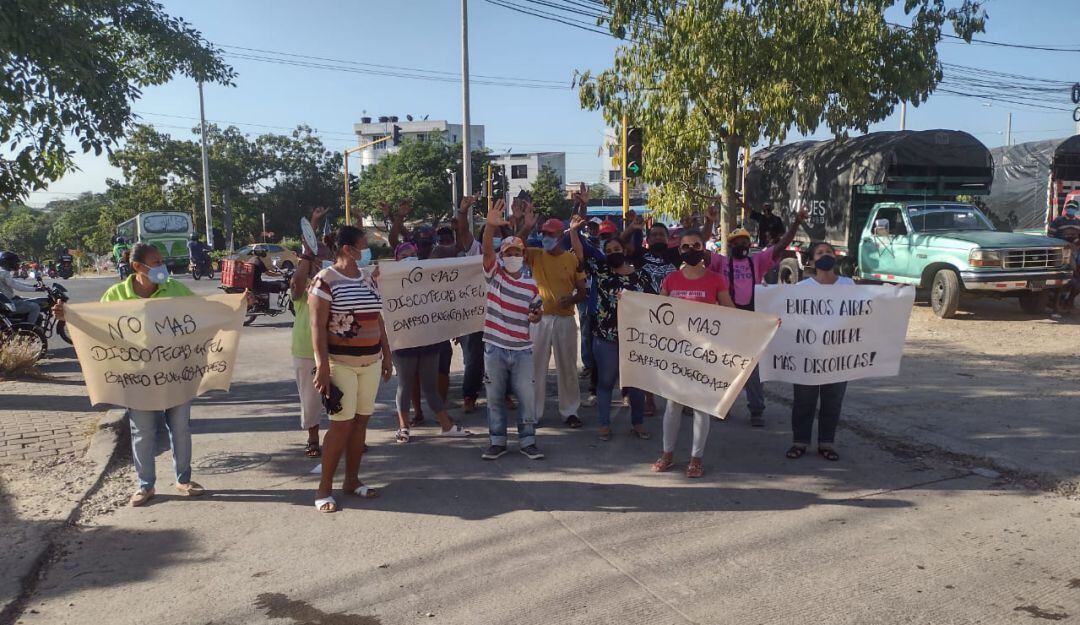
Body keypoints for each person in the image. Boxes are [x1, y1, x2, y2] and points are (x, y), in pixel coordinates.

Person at [54, 243, 202, 506]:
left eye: (161, 261)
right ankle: (145, 486)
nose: (162, 267)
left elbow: (205, 312)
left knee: (181, 429)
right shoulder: (116, 295)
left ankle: (184, 480)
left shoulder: (176, 289)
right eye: (156, 263)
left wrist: (238, 305)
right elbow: (96, 323)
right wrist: (68, 317)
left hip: (175, 374)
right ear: (137, 267)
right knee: (142, 432)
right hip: (138, 378)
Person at [309, 226, 393, 513]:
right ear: (347, 248)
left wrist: (387, 355)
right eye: (363, 244)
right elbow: (317, 326)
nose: (367, 250)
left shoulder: (366, 278)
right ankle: (324, 488)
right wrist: (321, 366)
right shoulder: (325, 280)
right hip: (340, 363)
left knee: (360, 423)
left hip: (371, 362)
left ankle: (352, 480)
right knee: (341, 425)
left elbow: (377, 318)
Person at [708, 210, 808, 426]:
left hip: (751, 323)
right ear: (730, 245)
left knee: (753, 370)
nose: (742, 245)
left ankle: (756, 410)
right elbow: (699, 252)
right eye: (737, 242)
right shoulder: (721, 263)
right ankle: (723, 406)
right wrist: (708, 222)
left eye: (745, 241)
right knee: (725, 366)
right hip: (727, 321)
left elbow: (781, 246)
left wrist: (796, 223)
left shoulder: (757, 262)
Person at [651, 229, 735, 478]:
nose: (691, 250)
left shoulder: (716, 280)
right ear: (680, 251)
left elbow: (732, 313)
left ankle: (696, 459)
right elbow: (656, 311)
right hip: (676, 352)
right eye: (685, 247)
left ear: (703, 248)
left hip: (704, 353)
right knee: (672, 405)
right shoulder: (671, 280)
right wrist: (627, 301)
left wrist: (763, 324)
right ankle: (667, 454)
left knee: (701, 407)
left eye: (696, 245)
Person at [569, 215, 654, 441]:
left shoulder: (641, 276)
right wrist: (573, 231)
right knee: (605, 383)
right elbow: (580, 253)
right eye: (608, 251)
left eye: (617, 249)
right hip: (606, 338)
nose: (613, 253)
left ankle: (638, 423)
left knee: (636, 385)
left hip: (635, 339)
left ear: (624, 251)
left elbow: (653, 304)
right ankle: (604, 425)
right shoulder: (601, 270)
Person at [386, 241, 473, 443]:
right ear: (396, 259)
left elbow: (446, 300)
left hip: (429, 339)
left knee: (430, 386)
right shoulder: (389, 281)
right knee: (405, 384)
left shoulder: (430, 278)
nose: (409, 257)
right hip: (404, 341)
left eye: (412, 253)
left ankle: (446, 426)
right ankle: (403, 427)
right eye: (404, 255)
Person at [480, 200, 545, 460]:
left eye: (517, 253)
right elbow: (487, 251)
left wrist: (536, 316)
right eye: (508, 253)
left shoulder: (531, 285)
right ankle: (497, 440)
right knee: (494, 396)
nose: (513, 257)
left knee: (526, 397)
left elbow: (537, 314)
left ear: (523, 255)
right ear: (502, 256)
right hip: (495, 347)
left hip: (522, 349)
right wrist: (489, 226)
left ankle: (528, 441)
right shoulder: (495, 275)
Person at [518, 207, 588, 428]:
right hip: (540, 319)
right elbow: (516, 245)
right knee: (535, 367)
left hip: (565, 320)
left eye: (549, 234)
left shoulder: (571, 259)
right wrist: (526, 226)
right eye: (543, 233)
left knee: (567, 368)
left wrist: (572, 299)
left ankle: (570, 411)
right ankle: (533, 413)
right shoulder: (536, 255)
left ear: (560, 236)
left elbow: (583, 291)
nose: (545, 237)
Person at [786, 242, 855, 462]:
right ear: (812, 260)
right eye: (820, 253)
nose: (825, 255)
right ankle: (800, 441)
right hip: (808, 355)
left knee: (832, 401)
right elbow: (789, 316)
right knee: (803, 401)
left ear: (835, 257)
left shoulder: (848, 285)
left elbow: (866, 311)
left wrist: (895, 295)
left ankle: (827, 443)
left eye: (829, 252)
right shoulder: (802, 288)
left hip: (838, 356)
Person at [291, 208, 331, 458]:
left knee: (344, 399)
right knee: (310, 399)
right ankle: (313, 439)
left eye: (325, 258)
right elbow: (296, 284)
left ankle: (344, 437)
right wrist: (308, 247)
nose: (320, 262)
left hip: (337, 350)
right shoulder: (302, 286)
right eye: (317, 258)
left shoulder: (336, 282)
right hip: (306, 350)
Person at [0, 251, 43, 325]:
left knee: (29, 300)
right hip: (7, 303)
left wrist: (33, 286)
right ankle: (29, 328)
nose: (17, 264)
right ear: (8, 262)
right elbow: (17, 287)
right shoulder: (4, 273)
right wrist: (36, 289)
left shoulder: (3, 272)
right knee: (35, 307)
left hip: (6, 301)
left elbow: (16, 282)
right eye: (14, 262)